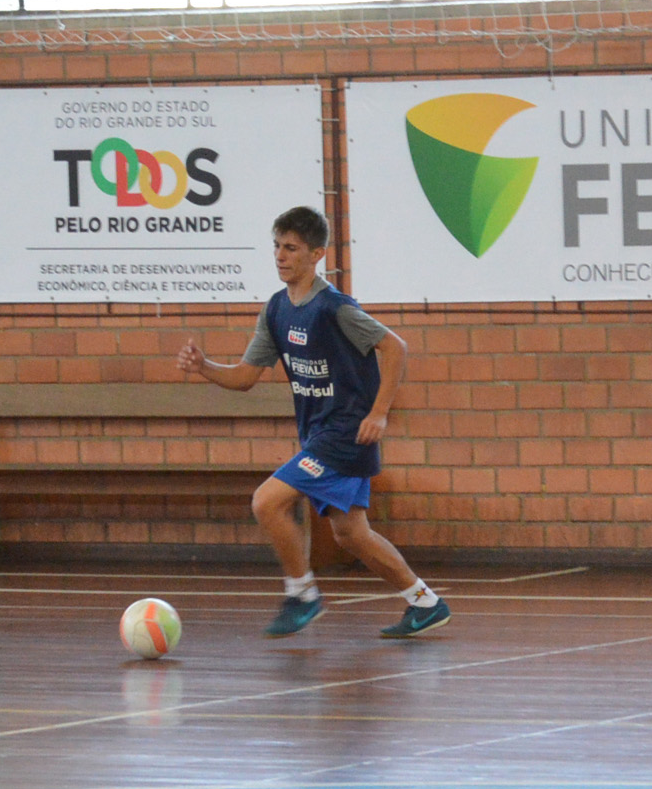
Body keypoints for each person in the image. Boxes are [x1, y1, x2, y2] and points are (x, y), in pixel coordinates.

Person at [178, 206, 450, 640]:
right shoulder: (276, 310)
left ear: (317, 254)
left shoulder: (334, 308)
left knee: (266, 502)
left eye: (291, 248)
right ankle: (425, 603)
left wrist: (379, 412)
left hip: (345, 434)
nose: (280, 255)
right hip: (320, 435)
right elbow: (246, 377)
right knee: (351, 534)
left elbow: (395, 347)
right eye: (276, 246)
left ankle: (302, 594)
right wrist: (204, 366)